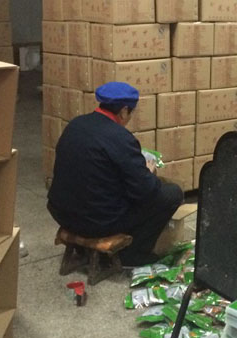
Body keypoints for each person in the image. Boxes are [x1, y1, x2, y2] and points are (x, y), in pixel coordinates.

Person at [47, 81, 183, 266]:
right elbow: (145, 191)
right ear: (124, 111)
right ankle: (135, 253)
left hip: (60, 212)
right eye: (130, 113)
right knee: (171, 193)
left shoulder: (75, 125)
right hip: (96, 222)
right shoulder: (121, 138)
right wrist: (148, 172)